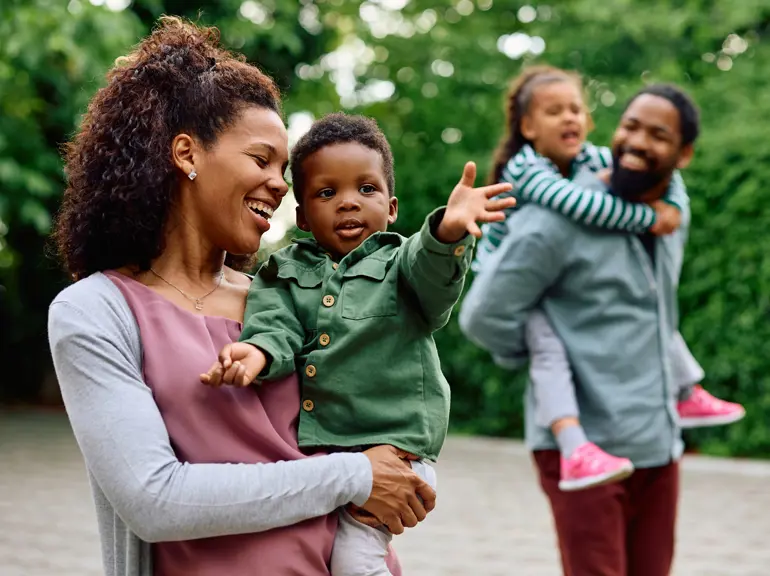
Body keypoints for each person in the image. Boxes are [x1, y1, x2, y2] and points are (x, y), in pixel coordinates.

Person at [48, 17, 434, 576]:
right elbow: (155, 500)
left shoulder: (290, 301)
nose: (281, 185)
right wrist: (355, 476)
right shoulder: (96, 312)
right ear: (187, 154)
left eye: (285, 169)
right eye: (261, 159)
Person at [201, 112, 515, 576]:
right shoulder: (282, 272)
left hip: (396, 451)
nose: (348, 203)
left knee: (354, 560)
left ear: (390, 207)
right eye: (328, 193)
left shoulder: (400, 264)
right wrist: (257, 352)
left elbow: (432, 274)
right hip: (330, 455)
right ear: (303, 215)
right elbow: (274, 324)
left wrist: (448, 232)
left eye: (365, 189)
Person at [460, 84, 726, 575]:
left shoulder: (671, 218)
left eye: (658, 135)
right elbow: (482, 316)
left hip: (658, 442)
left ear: (683, 154)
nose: (637, 141)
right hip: (584, 444)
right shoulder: (553, 221)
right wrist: (548, 355)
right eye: (630, 125)